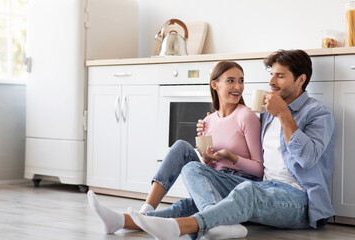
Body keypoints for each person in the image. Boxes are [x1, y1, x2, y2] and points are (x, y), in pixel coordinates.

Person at [124, 49, 336, 240]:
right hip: (264, 186)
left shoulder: (317, 114)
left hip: (298, 198)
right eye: (271, 74)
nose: (272, 82)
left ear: (301, 80)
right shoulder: (268, 113)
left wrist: (284, 114)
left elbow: (307, 159)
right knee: (191, 184)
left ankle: (182, 227)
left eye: (280, 76)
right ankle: (133, 220)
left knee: (246, 191)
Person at [87, 61, 263, 239]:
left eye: (241, 81)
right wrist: (208, 159)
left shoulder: (246, 116)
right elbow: (207, 166)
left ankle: (125, 220)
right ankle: (140, 213)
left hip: (239, 184)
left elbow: (259, 169)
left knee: (184, 207)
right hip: (214, 184)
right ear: (214, 85)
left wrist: (230, 156)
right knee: (181, 147)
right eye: (231, 81)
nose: (238, 86)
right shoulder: (208, 121)